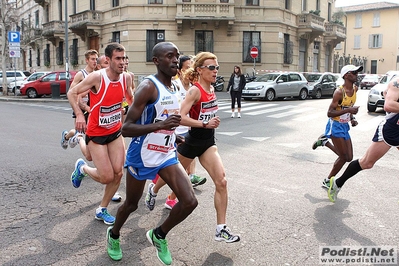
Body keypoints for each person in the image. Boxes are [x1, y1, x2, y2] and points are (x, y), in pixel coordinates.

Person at [106, 42, 198, 264]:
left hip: (166, 153)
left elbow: (164, 118)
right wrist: (160, 126)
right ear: (156, 61)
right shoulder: (148, 87)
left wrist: (172, 134)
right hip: (142, 154)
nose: (175, 60)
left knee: (189, 202)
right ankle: (114, 234)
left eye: (177, 56)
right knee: (131, 204)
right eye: (169, 56)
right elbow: (126, 128)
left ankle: (159, 235)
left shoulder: (176, 86)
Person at [67, 43, 134, 225]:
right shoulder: (97, 78)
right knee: (106, 177)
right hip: (96, 133)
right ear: (108, 60)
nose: (122, 62)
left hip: (115, 131)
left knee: (118, 173)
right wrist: (80, 114)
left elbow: (130, 100)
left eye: (124, 58)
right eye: (118, 59)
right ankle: (82, 169)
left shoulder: (126, 78)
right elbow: (72, 92)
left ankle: (101, 209)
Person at [178, 51, 240, 243]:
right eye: (211, 68)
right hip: (192, 142)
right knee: (168, 175)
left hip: (208, 144)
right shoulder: (195, 91)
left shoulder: (212, 90)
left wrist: (210, 123)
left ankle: (221, 228)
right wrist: (205, 124)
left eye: (217, 67)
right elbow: (180, 117)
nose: (215, 71)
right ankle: (153, 190)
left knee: (222, 181)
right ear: (200, 70)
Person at [147, 55, 206, 210]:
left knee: (182, 170)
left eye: (192, 67)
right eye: (187, 67)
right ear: (180, 71)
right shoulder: (174, 86)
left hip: (187, 133)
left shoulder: (194, 87)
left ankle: (171, 197)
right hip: (172, 134)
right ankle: (155, 186)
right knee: (173, 170)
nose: (191, 70)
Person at [328, 76, 399, 202]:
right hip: (391, 130)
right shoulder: (397, 82)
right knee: (367, 163)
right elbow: (389, 105)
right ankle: (337, 183)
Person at [311, 65, 362, 189]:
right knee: (343, 157)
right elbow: (329, 113)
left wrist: (352, 118)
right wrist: (349, 110)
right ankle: (328, 180)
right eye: (354, 72)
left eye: (357, 72)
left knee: (349, 157)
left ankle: (325, 142)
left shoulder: (355, 89)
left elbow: (347, 108)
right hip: (336, 125)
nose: (356, 75)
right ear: (346, 75)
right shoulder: (339, 92)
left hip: (344, 126)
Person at [61, 49, 98, 150]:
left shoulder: (97, 74)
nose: (95, 61)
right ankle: (66, 137)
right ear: (87, 60)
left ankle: (69, 137)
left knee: (86, 132)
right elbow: (72, 91)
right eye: (92, 59)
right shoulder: (81, 74)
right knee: (79, 133)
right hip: (81, 106)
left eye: (96, 59)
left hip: (91, 106)